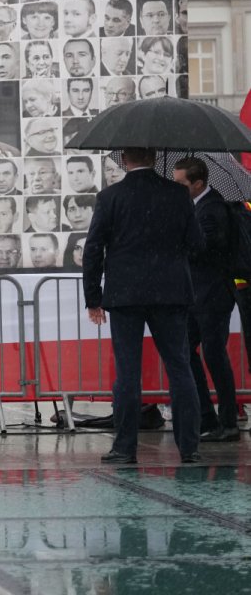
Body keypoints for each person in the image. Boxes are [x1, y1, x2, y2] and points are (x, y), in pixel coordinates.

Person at [83, 146, 204, 464]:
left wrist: (93, 298)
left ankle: (125, 447)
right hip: (170, 294)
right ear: (154, 158)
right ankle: (189, 447)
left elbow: (93, 249)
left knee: (127, 373)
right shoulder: (178, 195)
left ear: (124, 160)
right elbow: (197, 243)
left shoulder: (110, 198)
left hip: (126, 296)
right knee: (180, 369)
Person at [171, 157, 240, 443]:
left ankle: (228, 421)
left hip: (212, 296)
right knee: (186, 352)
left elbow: (206, 249)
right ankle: (207, 417)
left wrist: (179, 240)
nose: (176, 189)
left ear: (198, 183)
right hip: (196, 295)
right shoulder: (195, 206)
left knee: (214, 355)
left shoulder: (212, 209)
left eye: (181, 184)